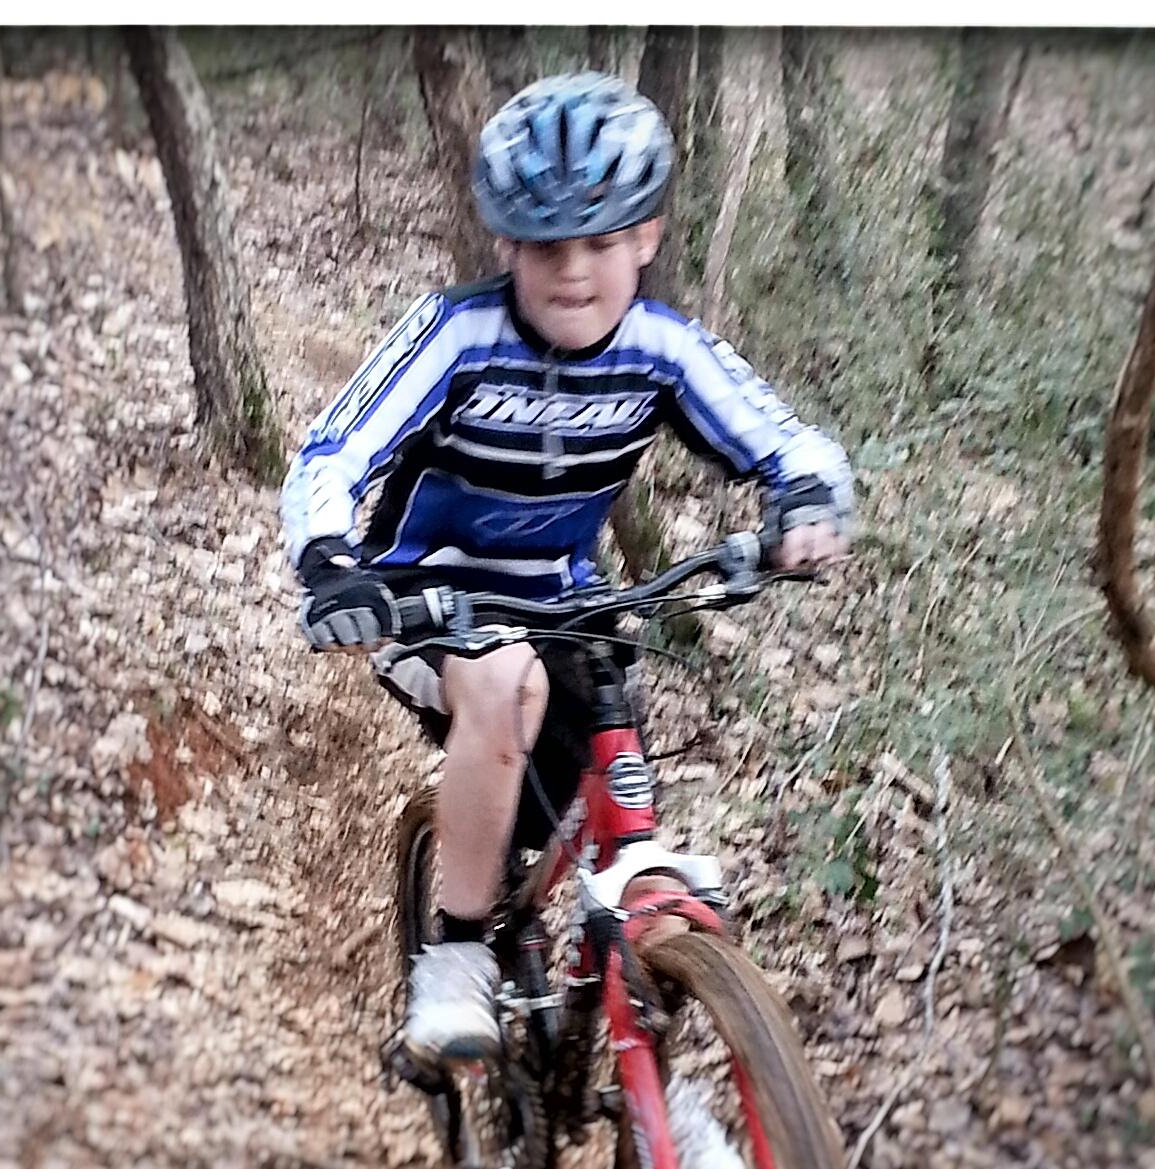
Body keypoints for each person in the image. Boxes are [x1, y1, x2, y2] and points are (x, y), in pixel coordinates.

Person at [283, 71, 853, 1084]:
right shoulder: (456, 337)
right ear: (506, 245)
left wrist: (804, 502)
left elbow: (778, 437)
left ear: (647, 236)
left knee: (619, 830)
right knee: (505, 684)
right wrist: (331, 562)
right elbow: (335, 451)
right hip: (433, 599)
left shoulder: (660, 350)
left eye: (602, 240)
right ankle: (456, 955)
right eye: (548, 244)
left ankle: (664, 1101)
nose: (575, 271)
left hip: (568, 602)